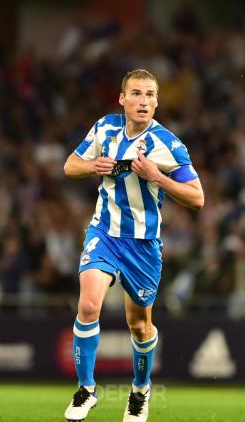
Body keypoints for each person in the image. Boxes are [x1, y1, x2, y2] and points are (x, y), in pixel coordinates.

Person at [62, 69, 204, 422]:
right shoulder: (105, 128)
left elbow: (198, 198)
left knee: (139, 326)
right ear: (122, 99)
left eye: (150, 95)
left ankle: (140, 391)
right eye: (136, 93)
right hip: (104, 232)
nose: (144, 101)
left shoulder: (168, 144)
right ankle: (86, 390)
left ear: (157, 101)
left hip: (142, 245)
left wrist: (157, 176)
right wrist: (93, 166)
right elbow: (69, 166)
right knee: (89, 305)